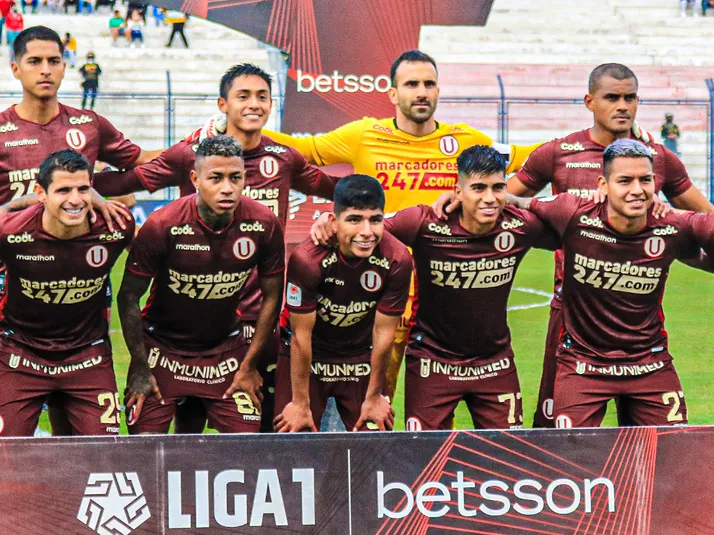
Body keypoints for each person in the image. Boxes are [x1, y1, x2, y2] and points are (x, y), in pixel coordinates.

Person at [93, 63, 340, 433]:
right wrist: (77, 187)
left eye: (262, 96)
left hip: (257, 319)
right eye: (243, 96)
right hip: (188, 317)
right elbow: (131, 181)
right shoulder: (188, 155)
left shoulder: (284, 158)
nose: (253, 104)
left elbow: (337, 190)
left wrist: (338, 216)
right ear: (223, 104)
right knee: (186, 420)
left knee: (261, 424)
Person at [499, 63, 714, 429]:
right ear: (590, 102)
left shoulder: (658, 157)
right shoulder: (558, 152)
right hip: (570, 312)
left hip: (636, 309)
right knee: (556, 432)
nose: (622, 106)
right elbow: (501, 201)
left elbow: (704, 216)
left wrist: (663, 212)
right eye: (612, 97)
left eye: (630, 98)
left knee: (653, 438)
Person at [2, 25, 161, 435]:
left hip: (79, 289)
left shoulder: (89, 125)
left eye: (53, 61)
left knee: (82, 445)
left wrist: (201, 142)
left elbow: (143, 162)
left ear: (64, 66)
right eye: (35, 61)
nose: (45, 69)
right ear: (16, 68)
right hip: (14, 284)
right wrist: (18, 206)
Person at [379, 145, 560, 430]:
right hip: (431, 362)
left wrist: (521, 202)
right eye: (478, 188)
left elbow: (578, 226)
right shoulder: (425, 222)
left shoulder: (519, 226)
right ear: (458, 191)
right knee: (424, 453)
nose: (490, 198)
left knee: (508, 453)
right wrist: (328, 223)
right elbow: (367, 231)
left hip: (495, 364)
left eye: (498, 188)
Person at [119, 136, 285, 434]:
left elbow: (273, 296)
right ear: (195, 179)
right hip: (162, 349)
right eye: (216, 178)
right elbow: (128, 296)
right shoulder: (163, 224)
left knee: (248, 445)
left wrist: (249, 365)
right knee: (144, 445)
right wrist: (140, 366)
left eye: (235, 178)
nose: (227, 188)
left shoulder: (263, 223)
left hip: (225, 351)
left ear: (245, 179)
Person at [0, 149, 134, 436]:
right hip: (20, 352)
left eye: (83, 189)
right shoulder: (9, 232)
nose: (75, 200)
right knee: (6, 452)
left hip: (88, 354)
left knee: (105, 453)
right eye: (63, 190)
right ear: (40, 193)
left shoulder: (116, 227)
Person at [274, 174, 412, 432]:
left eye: (375, 220)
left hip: (358, 356)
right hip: (309, 354)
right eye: (354, 220)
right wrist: (300, 403)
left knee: (375, 440)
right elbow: (301, 336)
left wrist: (374, 396)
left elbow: (384, 334)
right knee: (293, 436)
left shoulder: (398, 259)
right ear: (334, 222)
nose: (366, 232)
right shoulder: (307, 260)